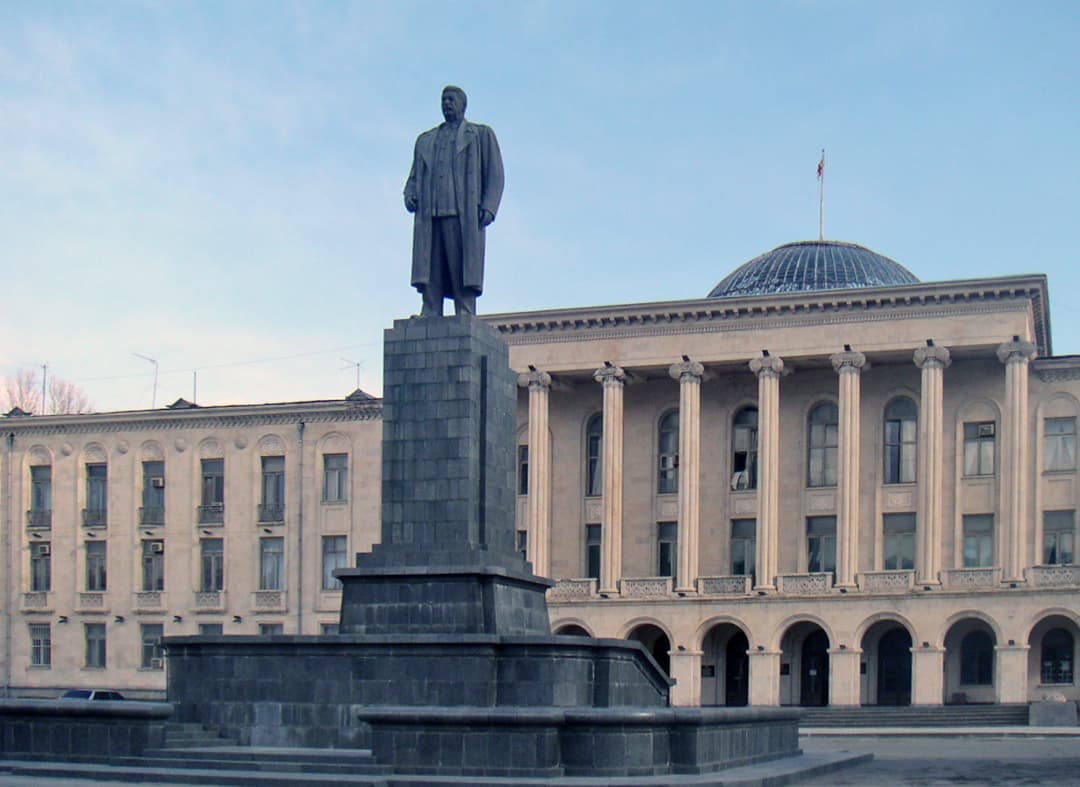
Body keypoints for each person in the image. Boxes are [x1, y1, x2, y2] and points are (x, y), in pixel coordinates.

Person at [404, 86, 504, 316]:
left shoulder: (480, 135)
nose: (447, 103)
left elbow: (496, 173)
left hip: (462, 213)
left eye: (451, 99)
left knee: (461, 265)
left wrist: (489, 205)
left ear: (462, 104)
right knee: (431, 265)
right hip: (430, 214)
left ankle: (465, 309)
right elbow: (414, 176)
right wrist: (409, 193)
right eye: (443, 100)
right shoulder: (425, 140)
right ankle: (430, 308)